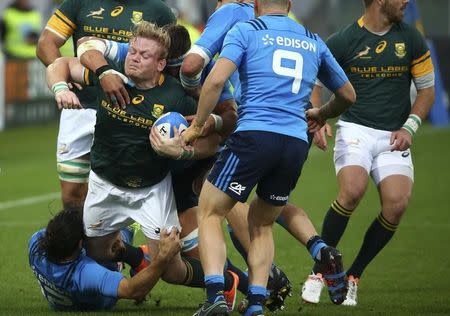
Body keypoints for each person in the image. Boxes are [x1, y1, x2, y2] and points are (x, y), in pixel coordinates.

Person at [46, 21, 240, 308]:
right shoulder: (110, 77)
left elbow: (215, 139)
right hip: (104, 187)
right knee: (100, 254)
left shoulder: (177, 96)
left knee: (173, 272)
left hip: (152, 192)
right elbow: (58, 65)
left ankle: (233, 281)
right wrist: (61, 87)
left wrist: (183, 151)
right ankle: (122, 278)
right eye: (133, 51)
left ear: (161, 63)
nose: (134, 58)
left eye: (144, 55)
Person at [182, 0, 356, 315]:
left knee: (209, 211)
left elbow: (217, 80)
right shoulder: (312, 39)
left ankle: (215, 297)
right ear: (289, 4)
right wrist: (321, 113)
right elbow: (347, 94)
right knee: (262, 222)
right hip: (293, 143)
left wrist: (197, 126)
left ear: (257, 4)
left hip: (254, 136)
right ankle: (257, 305)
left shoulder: (246, 29)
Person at [301, 0, 435, 306]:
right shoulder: (345, 40)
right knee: (352, 191)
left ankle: (353, 276)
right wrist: (319, 117)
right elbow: (316, 81)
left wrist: (410, 127)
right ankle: (319, 272)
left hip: (394, 134)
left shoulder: (411, 38)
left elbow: (427, 91)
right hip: (355, 128)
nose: (406, 2)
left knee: (397, 205)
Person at [36, 0, 175, 209]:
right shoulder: (79, 3)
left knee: (125, 188)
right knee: (71, 194)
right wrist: (65, 79)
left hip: (129, 110)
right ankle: (81, 241)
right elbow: (46, 43)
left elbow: (168, 63)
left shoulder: (159, 10)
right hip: (82, 107)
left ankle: (120, 240)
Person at [28, 207, 181, 311]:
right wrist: (163, 257)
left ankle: (136, 256)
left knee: (110, 237)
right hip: (99, 301)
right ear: (81, 244)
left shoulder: (37, 242)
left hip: (60, 302)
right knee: (117, 237)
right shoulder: (84, 273)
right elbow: (132, 290)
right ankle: (140, 256)